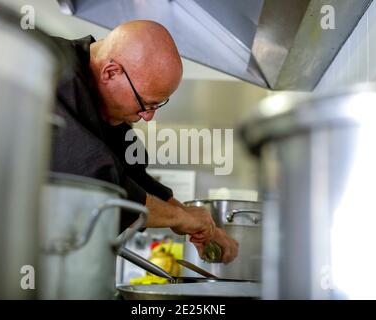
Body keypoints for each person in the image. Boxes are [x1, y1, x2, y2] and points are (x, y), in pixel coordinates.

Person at [50, 20, 238, 263]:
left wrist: (195, 222)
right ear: (111, 72)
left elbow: (132, 175)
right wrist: (178, 218)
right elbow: (95, 183)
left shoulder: (102, 103)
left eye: (157, 105)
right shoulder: (55, 71)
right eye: (146, 104)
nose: (148, 117)